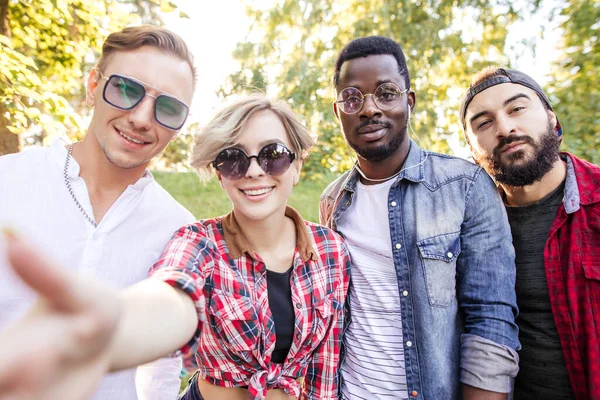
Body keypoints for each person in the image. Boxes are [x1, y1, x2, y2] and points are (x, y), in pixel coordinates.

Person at [0, 95, 351, 400]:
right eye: (233, 158)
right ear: (219, 174)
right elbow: (172, 296)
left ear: (297, 165)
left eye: (273, 154)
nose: (255, 171)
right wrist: (114, 329)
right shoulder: (199, 243)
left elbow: (326, 373)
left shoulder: (330, 251)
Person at [0, 25, 196, 399]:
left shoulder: (179, 229)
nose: (141, 117)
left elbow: (162, 370)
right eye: (126, 88)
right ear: (93, 85)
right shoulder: (6, 180)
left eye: (168, 107)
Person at [319, 36, 520, 400]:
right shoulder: (333, 200)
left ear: (408, 102)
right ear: (338, 112)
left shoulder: (466, 186)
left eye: (386, 92)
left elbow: (491, 319)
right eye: (352, 97)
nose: (369, 109)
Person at [460, 67, 600, 400]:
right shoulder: (464, 229)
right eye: (484, 123)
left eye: (517, 109)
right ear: (472, 151)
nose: (505, 128)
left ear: (552, 118)